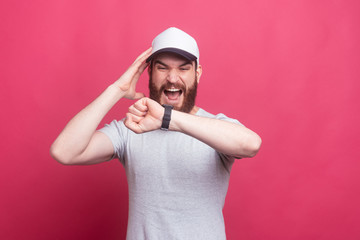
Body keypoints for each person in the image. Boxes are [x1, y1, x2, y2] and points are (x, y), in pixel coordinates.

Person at [50, 27, 261, 240]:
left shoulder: (214, 128)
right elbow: (64, 151)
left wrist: (167, 118)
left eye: (183, 69)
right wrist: (117, 89)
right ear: (150, 73)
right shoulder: (131, 128)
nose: (172, 78)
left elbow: (251, 144)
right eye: (162, 68)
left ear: (197, 74)